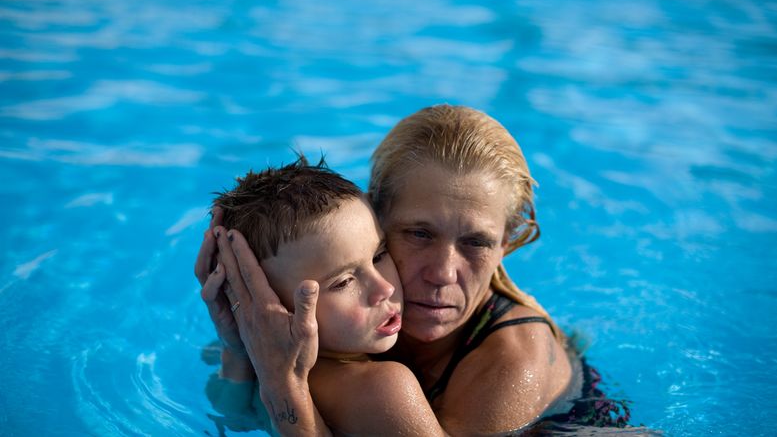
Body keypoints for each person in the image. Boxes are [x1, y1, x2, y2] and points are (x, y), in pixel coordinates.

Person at [196, 104, 631, 435]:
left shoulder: (511, 364)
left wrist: (283, 389)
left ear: (507, 244)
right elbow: (231, 415)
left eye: (476, 242)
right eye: (419, 234)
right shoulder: (350, 303)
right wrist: (239, 343)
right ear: (374, 217)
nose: (442, 274)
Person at [200, 157, 447, 436]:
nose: (384, 289)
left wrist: (236, 348)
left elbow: (234, 419)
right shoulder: (383, 388)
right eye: (342, 282)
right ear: (271, 304)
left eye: (379, 255)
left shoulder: (252, 366)